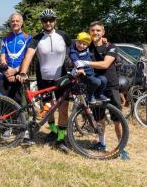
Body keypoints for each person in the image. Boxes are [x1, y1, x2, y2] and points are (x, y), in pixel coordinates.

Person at [75, 21, 130, 160]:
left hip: (110, 85)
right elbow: (74, 47)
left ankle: (121, 147)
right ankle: (102, 143)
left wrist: (86, 63)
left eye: (98, 30)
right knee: (99, 117)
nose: (95, 33)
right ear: (89, 32)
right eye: (92, 30)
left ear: (103, 32)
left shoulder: (110, 46)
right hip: (95, 86)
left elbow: (105, 64)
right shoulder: (88, 46)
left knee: (117, 119)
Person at [19, 9, 72, 153]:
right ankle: (53, 132)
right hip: (43, 79)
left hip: (62, 78)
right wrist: (23, 71)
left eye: (51, 20)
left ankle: (61, 139)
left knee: (63, 110)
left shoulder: (63, 36)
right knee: (48, 109)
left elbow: (76, 49)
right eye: (45, 20)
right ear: (42, 22)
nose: (48, 23)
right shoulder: (36, 38)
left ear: (55, 21)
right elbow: (28, 56)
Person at [0, 13, 32, 104]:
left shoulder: (28, 38)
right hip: (6, 73)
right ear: (10, 23)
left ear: (21, 23)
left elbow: (27, 58)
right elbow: (2, 57)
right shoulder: (5, 39)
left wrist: (15, 71)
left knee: (17, 105)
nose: (15, 23)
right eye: (12, 21)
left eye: (17, 21)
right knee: (4, 105)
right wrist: (7, 72)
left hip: (19, 74)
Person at [69, 32, 109, 104]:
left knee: (104, 79)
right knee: (96, 82)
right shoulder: (73, 50)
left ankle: (99, 94)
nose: (81, 45)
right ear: (76, 41)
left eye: (84, 44)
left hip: (91, 72)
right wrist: (80, 68)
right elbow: (75, 59)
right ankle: (89, 95)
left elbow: (95, 40)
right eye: (79, 43)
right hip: (82, 74)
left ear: (88, 45)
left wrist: (102, 39)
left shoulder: (87, 48)